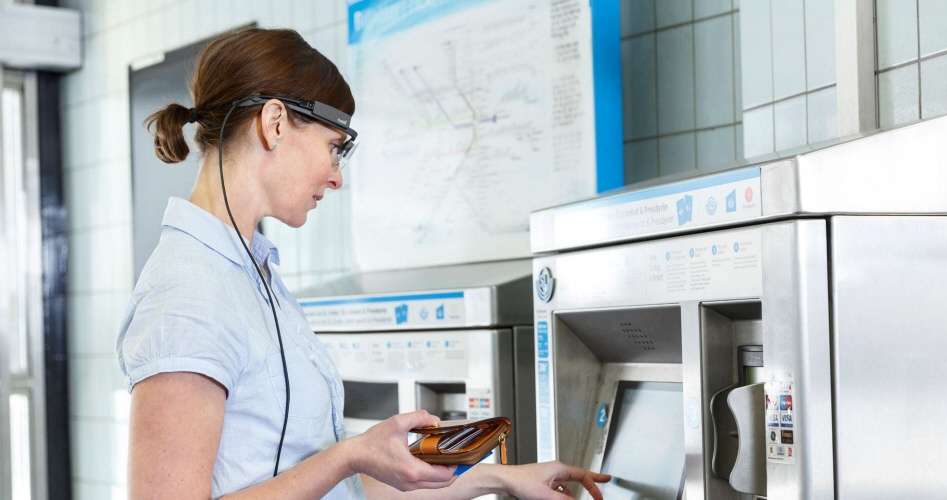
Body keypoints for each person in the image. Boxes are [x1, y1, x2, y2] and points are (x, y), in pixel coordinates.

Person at [117, 27, 610, 500]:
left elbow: (336, 493)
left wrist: (502, 478)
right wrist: (348, 456)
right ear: (275, 123)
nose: (337, 178)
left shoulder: (253, 276)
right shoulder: (188, 293)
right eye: (334, 148)